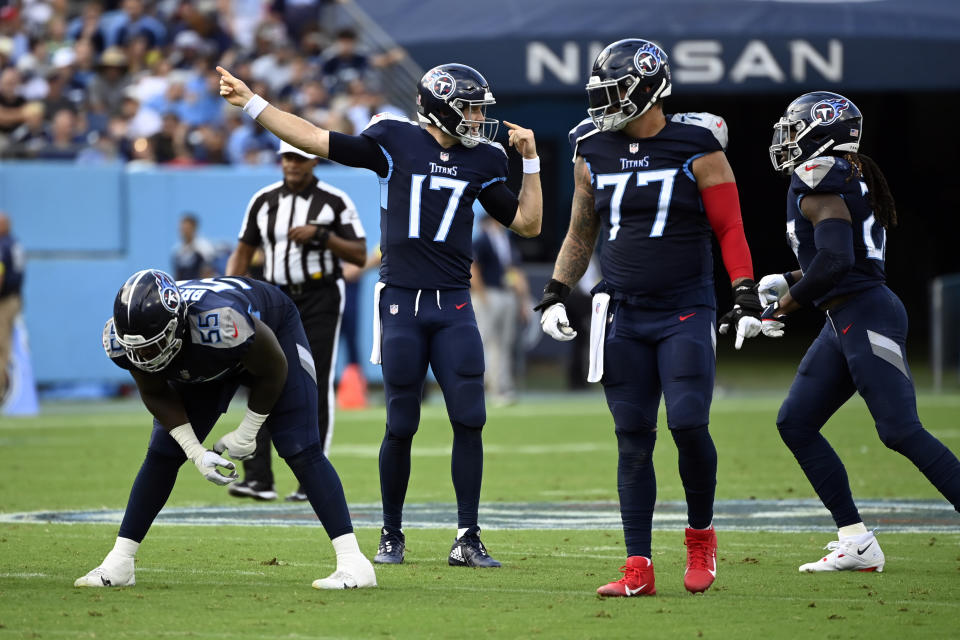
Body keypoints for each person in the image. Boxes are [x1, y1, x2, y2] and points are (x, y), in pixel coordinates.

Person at [217, 61, 543, 567]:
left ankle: (468, 536)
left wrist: (532, 164)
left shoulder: (484, 160)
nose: (478, 117)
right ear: (440, 106)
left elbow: (527, 223)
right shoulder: (394, 140)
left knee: (470, 417)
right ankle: (391, 534)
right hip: (402, 303)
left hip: (454, 302)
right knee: (401, 423)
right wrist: (253, 103)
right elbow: (312, 136)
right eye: (470, 106)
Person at [535, 39, 762, 596]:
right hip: (624, 314)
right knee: (631, 437)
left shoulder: (698, 144)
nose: (605, 104)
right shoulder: (591, 146)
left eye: (615, 92)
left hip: (685, 308)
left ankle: (701, 536)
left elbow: (729, 227)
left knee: (688, 423)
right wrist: (556, 291)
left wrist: (744, 292)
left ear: (648, 88)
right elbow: (581, 229)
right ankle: (638, 566)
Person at [758, 91, 960, 572]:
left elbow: (836, 261)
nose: (785, 139)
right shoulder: (846, 174)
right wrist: (789, 278)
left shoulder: (821, 179)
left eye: (794, 128)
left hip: (867, 314)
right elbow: (838, 256)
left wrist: (782, 307)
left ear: (820, 132)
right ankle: (856, 540)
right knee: (796, 423)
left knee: (899, 430)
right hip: (846, 316)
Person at [75, 269, 376, 589]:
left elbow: (274, 369)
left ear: (175, 325)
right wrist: (194, 451)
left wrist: (248, 431)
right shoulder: (127, 341)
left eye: (152, 347)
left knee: (299, 446)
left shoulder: (220, 323)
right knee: (163, 452)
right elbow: (154, 392)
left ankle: (354, 562)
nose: (145, 358)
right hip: (201, 355)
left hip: (269, 337)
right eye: (139, 350)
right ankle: (120, 562)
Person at [224, 139, 367, 502]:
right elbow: (242, 252)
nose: (292, 164)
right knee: (263, 376)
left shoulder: (334, 201)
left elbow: (359, 252)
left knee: (312, 380)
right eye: (287, 157)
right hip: (275, 297)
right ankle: (259, 478)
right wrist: (228, 298)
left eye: (299, 158)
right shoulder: (263, 200)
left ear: (314, 161)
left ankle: (310, 477)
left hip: (320, 296)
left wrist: (322, 236)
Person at [471, 213, 529, 405]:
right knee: (488, 342)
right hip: (489, 293)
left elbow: (515, 271)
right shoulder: (482, 240)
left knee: (504, 344)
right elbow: (474, 268)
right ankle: (490, 388)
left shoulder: (506, 241)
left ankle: (502, 386)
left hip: (506, 294)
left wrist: (522, 300)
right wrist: (482, 295)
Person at [0, 212, 25, 397]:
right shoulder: (15, 243)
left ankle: (1, 389)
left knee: (2, 346)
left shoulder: (3, 245)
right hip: (15, 298)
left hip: (5, 300)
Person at [171, 213, 216, 281]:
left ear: (194, 228)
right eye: (182, 229)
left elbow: (209, 271)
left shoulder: (204, 248)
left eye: (187, 228)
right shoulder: (177, 252)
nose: (184, 232)